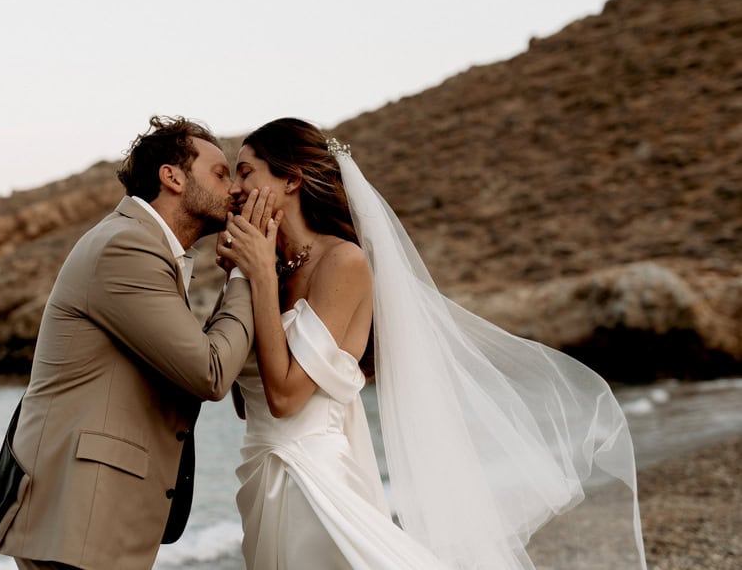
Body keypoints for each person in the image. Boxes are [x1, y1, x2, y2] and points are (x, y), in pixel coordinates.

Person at [219, 118, 647, 570]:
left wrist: (260, 275)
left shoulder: (342, 262)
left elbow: (285, 398)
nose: (234, 189)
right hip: (261, 470)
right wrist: (240, 277)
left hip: (312, 477)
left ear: (291, 179)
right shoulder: (268, 269)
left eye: (246, 172)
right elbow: (245, 401)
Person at [0, 116, 274, 570]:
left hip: (94, 520)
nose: (234, 189)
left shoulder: (143, 245)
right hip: (80, 518)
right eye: (219, 173)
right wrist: (246, 273)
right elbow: (210, 372)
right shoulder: (127, 247)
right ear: (172, 177)